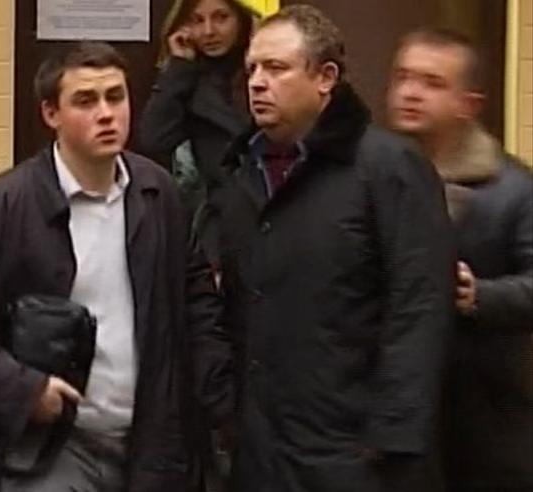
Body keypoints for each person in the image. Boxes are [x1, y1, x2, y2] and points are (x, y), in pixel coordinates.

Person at [0, 41, 227, 492]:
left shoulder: (157, 194)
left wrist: (215, 401)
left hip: (151, 443)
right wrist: (25, 391)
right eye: (85, 101)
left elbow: (197, 302)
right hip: (49, 448)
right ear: (51, 113)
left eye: (116, 97)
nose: (106, 114)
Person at [209, 5, 457, 491]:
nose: (257, 83)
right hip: (260, 450)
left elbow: (420, 303)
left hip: (353, 453)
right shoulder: (241, 175)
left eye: (276, 68)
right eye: (252, 69)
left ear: (325, 78)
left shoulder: (388, 167)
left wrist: (393, 439)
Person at [388, 27, 533, 492]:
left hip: (483, 418)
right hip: (396, 415)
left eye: (432, 83)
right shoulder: (375, 179)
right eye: (403, 77)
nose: (411, 92)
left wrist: (478, 296)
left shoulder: (514, 190)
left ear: (468, 103)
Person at [138, 0, 260, 270]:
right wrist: (179, 66)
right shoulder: (187, 79)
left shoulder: (264, 70)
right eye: (197, 20)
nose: (208, 31)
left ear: (241, 19)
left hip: (275, 212)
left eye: (221, 17)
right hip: (220, 225)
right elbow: (154, 138)